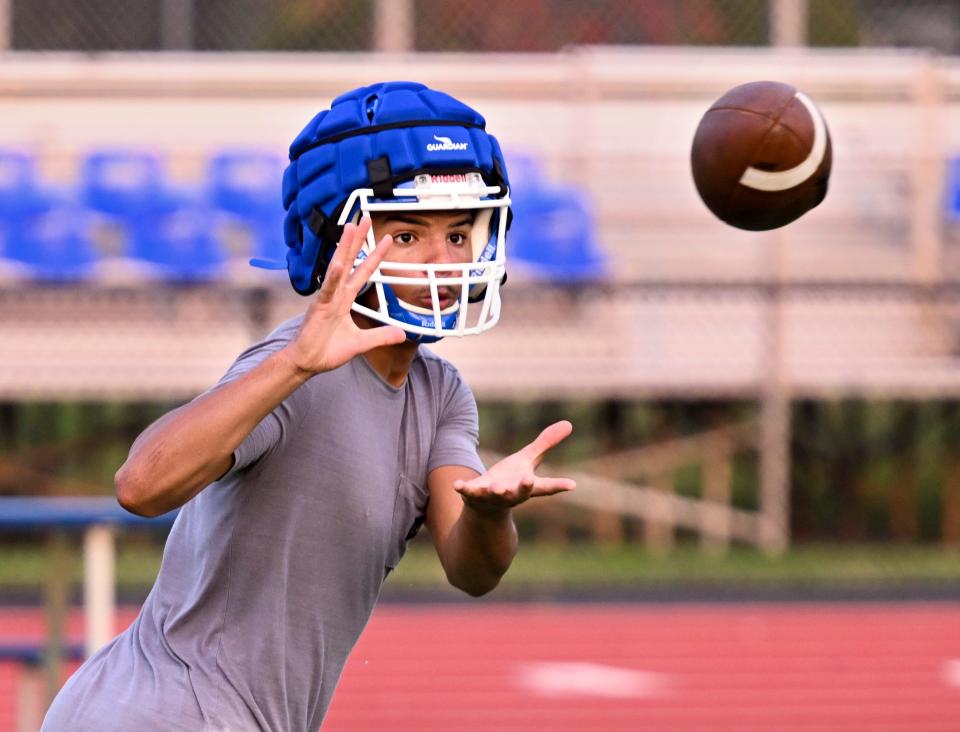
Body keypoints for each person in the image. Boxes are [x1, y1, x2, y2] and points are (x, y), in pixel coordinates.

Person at [42, 80, 575, 731]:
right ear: (334, 241)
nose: (444, 260)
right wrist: (291, 367)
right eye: (406, 237)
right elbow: (140, 486)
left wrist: (492, 513)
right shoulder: (291, 365)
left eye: (459, 235)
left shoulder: (441, 393)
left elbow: (471, 569)